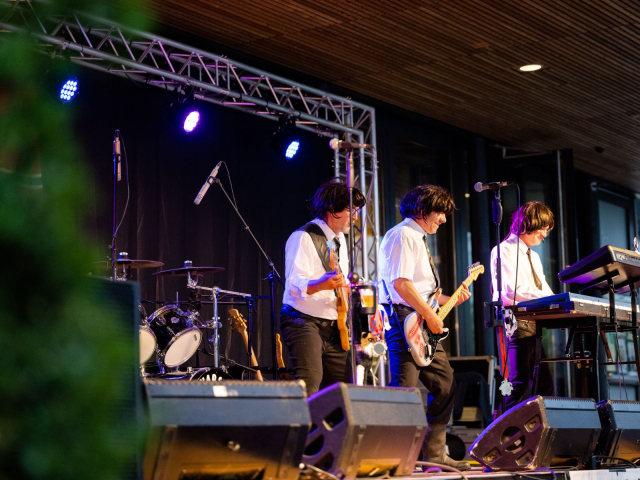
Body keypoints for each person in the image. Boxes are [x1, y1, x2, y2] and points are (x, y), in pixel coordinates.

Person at [378, 184, 471, 471]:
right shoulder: (404, 235)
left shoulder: (416, 237)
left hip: (419, 321)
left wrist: (448, 300)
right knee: (403, 391)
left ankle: (433, 454)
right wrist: (431, 315)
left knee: (445, 384)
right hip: (404, 321)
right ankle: (393, 457)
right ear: (421, 211)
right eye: (440, 212)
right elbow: (401, 285)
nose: (444, 219)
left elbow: (417, 288)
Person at [280, 180, 366, 396]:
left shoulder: (340, 241)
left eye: (356, 211)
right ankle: (301, 430)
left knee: (345, 390)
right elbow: (293, 285)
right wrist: (322, 284)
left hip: (334, 325)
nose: (355, 216)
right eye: (350, 210)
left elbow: (340, 282)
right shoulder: (303, 237)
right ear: (331, 209)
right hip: (303, 321)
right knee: (309, 385)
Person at [491, 201, 555, 410]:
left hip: (533, 321)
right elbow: (511, 291)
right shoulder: (504, 251)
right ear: (530, 223)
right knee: (517, 385)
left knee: (544, 386)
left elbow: (542, 288)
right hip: (513, 320)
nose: (544, 235)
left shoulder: (533, 256)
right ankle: (504, 436)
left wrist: (561, 300)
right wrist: (551, 300)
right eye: (543, 229)